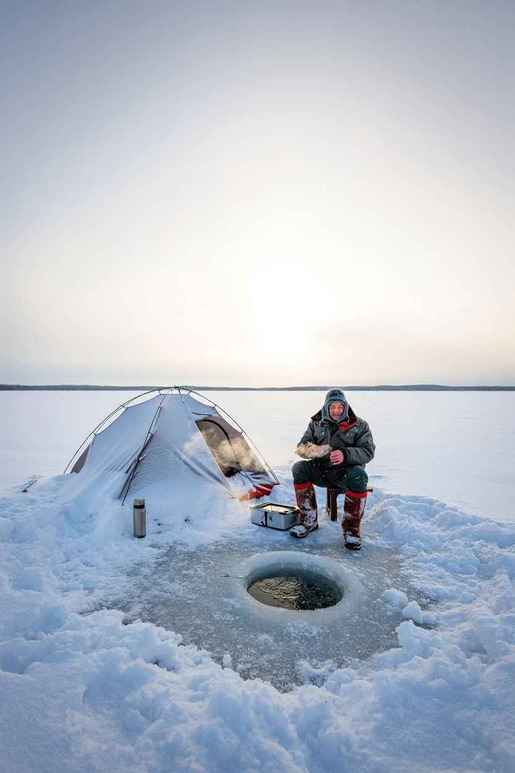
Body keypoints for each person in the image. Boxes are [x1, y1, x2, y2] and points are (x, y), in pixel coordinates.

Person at [290, 389, 375, 549]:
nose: (337, 411)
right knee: (299, 468)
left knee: (359, 475)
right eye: (333, 407)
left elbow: (368, 451)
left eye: (340, 407)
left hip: (345, 473)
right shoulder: (315, 423)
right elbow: (301, 447)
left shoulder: (360, 425)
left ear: (345, 407)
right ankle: (308, 520)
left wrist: (345, 454)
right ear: (326, 407)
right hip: (321, 470)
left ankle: (351, 530)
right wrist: (313, 450)